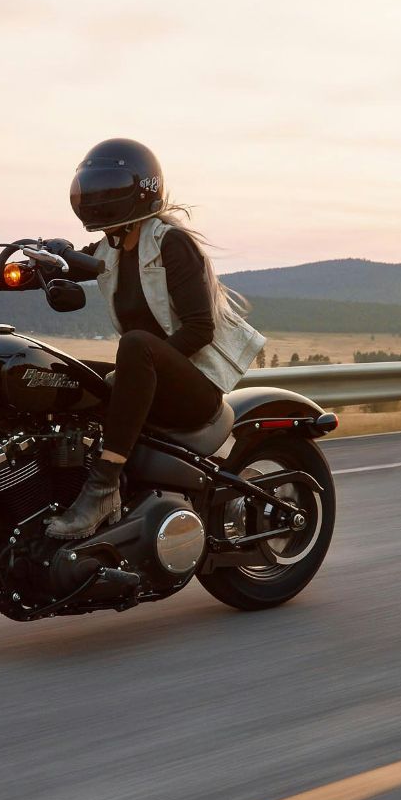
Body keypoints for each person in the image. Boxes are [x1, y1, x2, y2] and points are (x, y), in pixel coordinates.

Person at [43, 137, 268, 538]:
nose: (96, 198)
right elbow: (46, 271)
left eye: (108, 187)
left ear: (140, 189)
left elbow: (200, 328)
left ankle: (103, 487)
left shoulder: (171, 243)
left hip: (194, 389)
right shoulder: (110, 248)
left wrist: (147, 363)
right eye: (93, 188)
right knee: (59, 374)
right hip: (153, 375)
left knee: (134, 345)